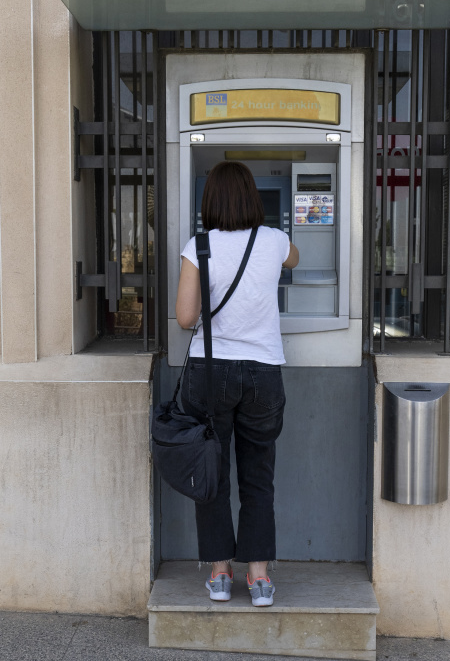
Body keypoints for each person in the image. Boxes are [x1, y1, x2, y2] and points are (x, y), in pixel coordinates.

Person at [175, 161, 299, 607]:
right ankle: (260, 577)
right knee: (258, 474)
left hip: (211, 371)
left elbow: (186, 318)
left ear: (209, 201)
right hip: (263, 372)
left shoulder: (199, 246)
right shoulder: (275, 241)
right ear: (252, 198)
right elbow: (294, 259)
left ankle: (220, 573)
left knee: (211, 473)